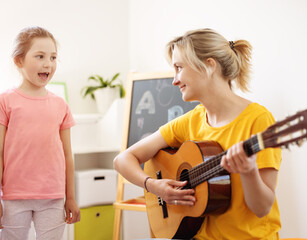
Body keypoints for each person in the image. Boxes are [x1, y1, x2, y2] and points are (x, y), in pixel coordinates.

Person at [113, 28, 282, 239]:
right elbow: (122, 159)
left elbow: (262, 208)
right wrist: (154, 186)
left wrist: (248, 172)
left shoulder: (258, 120)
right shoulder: (191, 121)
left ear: (209, 65)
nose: (174, 80)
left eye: (179, 68)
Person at [0, 26, 81, 240]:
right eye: (40, 56)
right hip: (14, 197)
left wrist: (71, 197)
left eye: (53, 57)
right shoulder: (4, 102)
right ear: (19, 61)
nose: (48, 63)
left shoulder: (60, 105)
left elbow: (67, 156)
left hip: (53, 197)